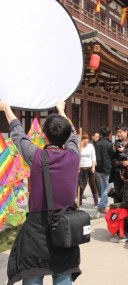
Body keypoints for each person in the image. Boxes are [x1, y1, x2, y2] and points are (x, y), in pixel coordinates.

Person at [0, 101, 81, 285]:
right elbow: (72, 135)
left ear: (43, 136)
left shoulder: (36, 157)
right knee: (63, 276)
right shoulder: (74, 155)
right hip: (65, 228)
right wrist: (61, 109)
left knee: (33, 275)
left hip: (37, 232)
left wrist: (6, 108)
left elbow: (18, 135)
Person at [109, 123, 128, 203]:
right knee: (118, 193)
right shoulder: (116, 143)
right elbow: (112, 159)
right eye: (117, 132)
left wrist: (124, 150)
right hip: (118, 172)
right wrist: (114, 150)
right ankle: (119, 211)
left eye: (120, 132)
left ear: (126, 132)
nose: (118, 134)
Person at [96, 126, 114, 213]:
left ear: (101, 134)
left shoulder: (97, 143)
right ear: (109, 134)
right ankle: (102, 205)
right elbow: (112, 156)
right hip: (107, 168)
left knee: (104, 187)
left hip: (99, 168)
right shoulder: (110, 144)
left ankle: (103, 205)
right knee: (109, 187)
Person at [78, 133, 99, 207]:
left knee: (92, 184)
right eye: (84, 140)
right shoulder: (79, 147)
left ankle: (96, 201)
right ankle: (79, 201)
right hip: (82, 168)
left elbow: (93, 156)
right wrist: (80, 147)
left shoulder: (90, 146)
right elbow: (78, 157)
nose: (85, 141)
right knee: (81, 185)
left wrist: (93, 167)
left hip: (89, 167)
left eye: (86, 139)